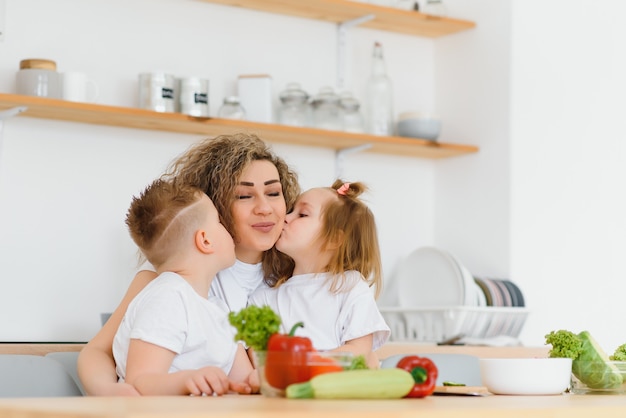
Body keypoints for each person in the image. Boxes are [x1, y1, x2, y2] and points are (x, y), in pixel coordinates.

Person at [77, 133, 300, 396]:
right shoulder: (168, 284)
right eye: (243, 196)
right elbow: (99, 353)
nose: (265, 208)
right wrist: (109, 393)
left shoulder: (295, 276)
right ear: (216, 209)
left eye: (274, 193)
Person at [113, 179, 257, 396]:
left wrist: (261, 379)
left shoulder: (217, 308)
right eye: (219, 222)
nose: (227, 227)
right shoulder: (168, 298)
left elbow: (244, 384)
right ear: (205, 240)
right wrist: (187, 380)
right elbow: (139, 381)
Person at [248, 180, 390, 368]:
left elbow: (360, 350)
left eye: (302, 214)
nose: (286, 218)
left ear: (333, 239)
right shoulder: (264, 297)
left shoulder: (351, 286)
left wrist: (307, 365)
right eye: (291, 210)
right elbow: (260, 359)